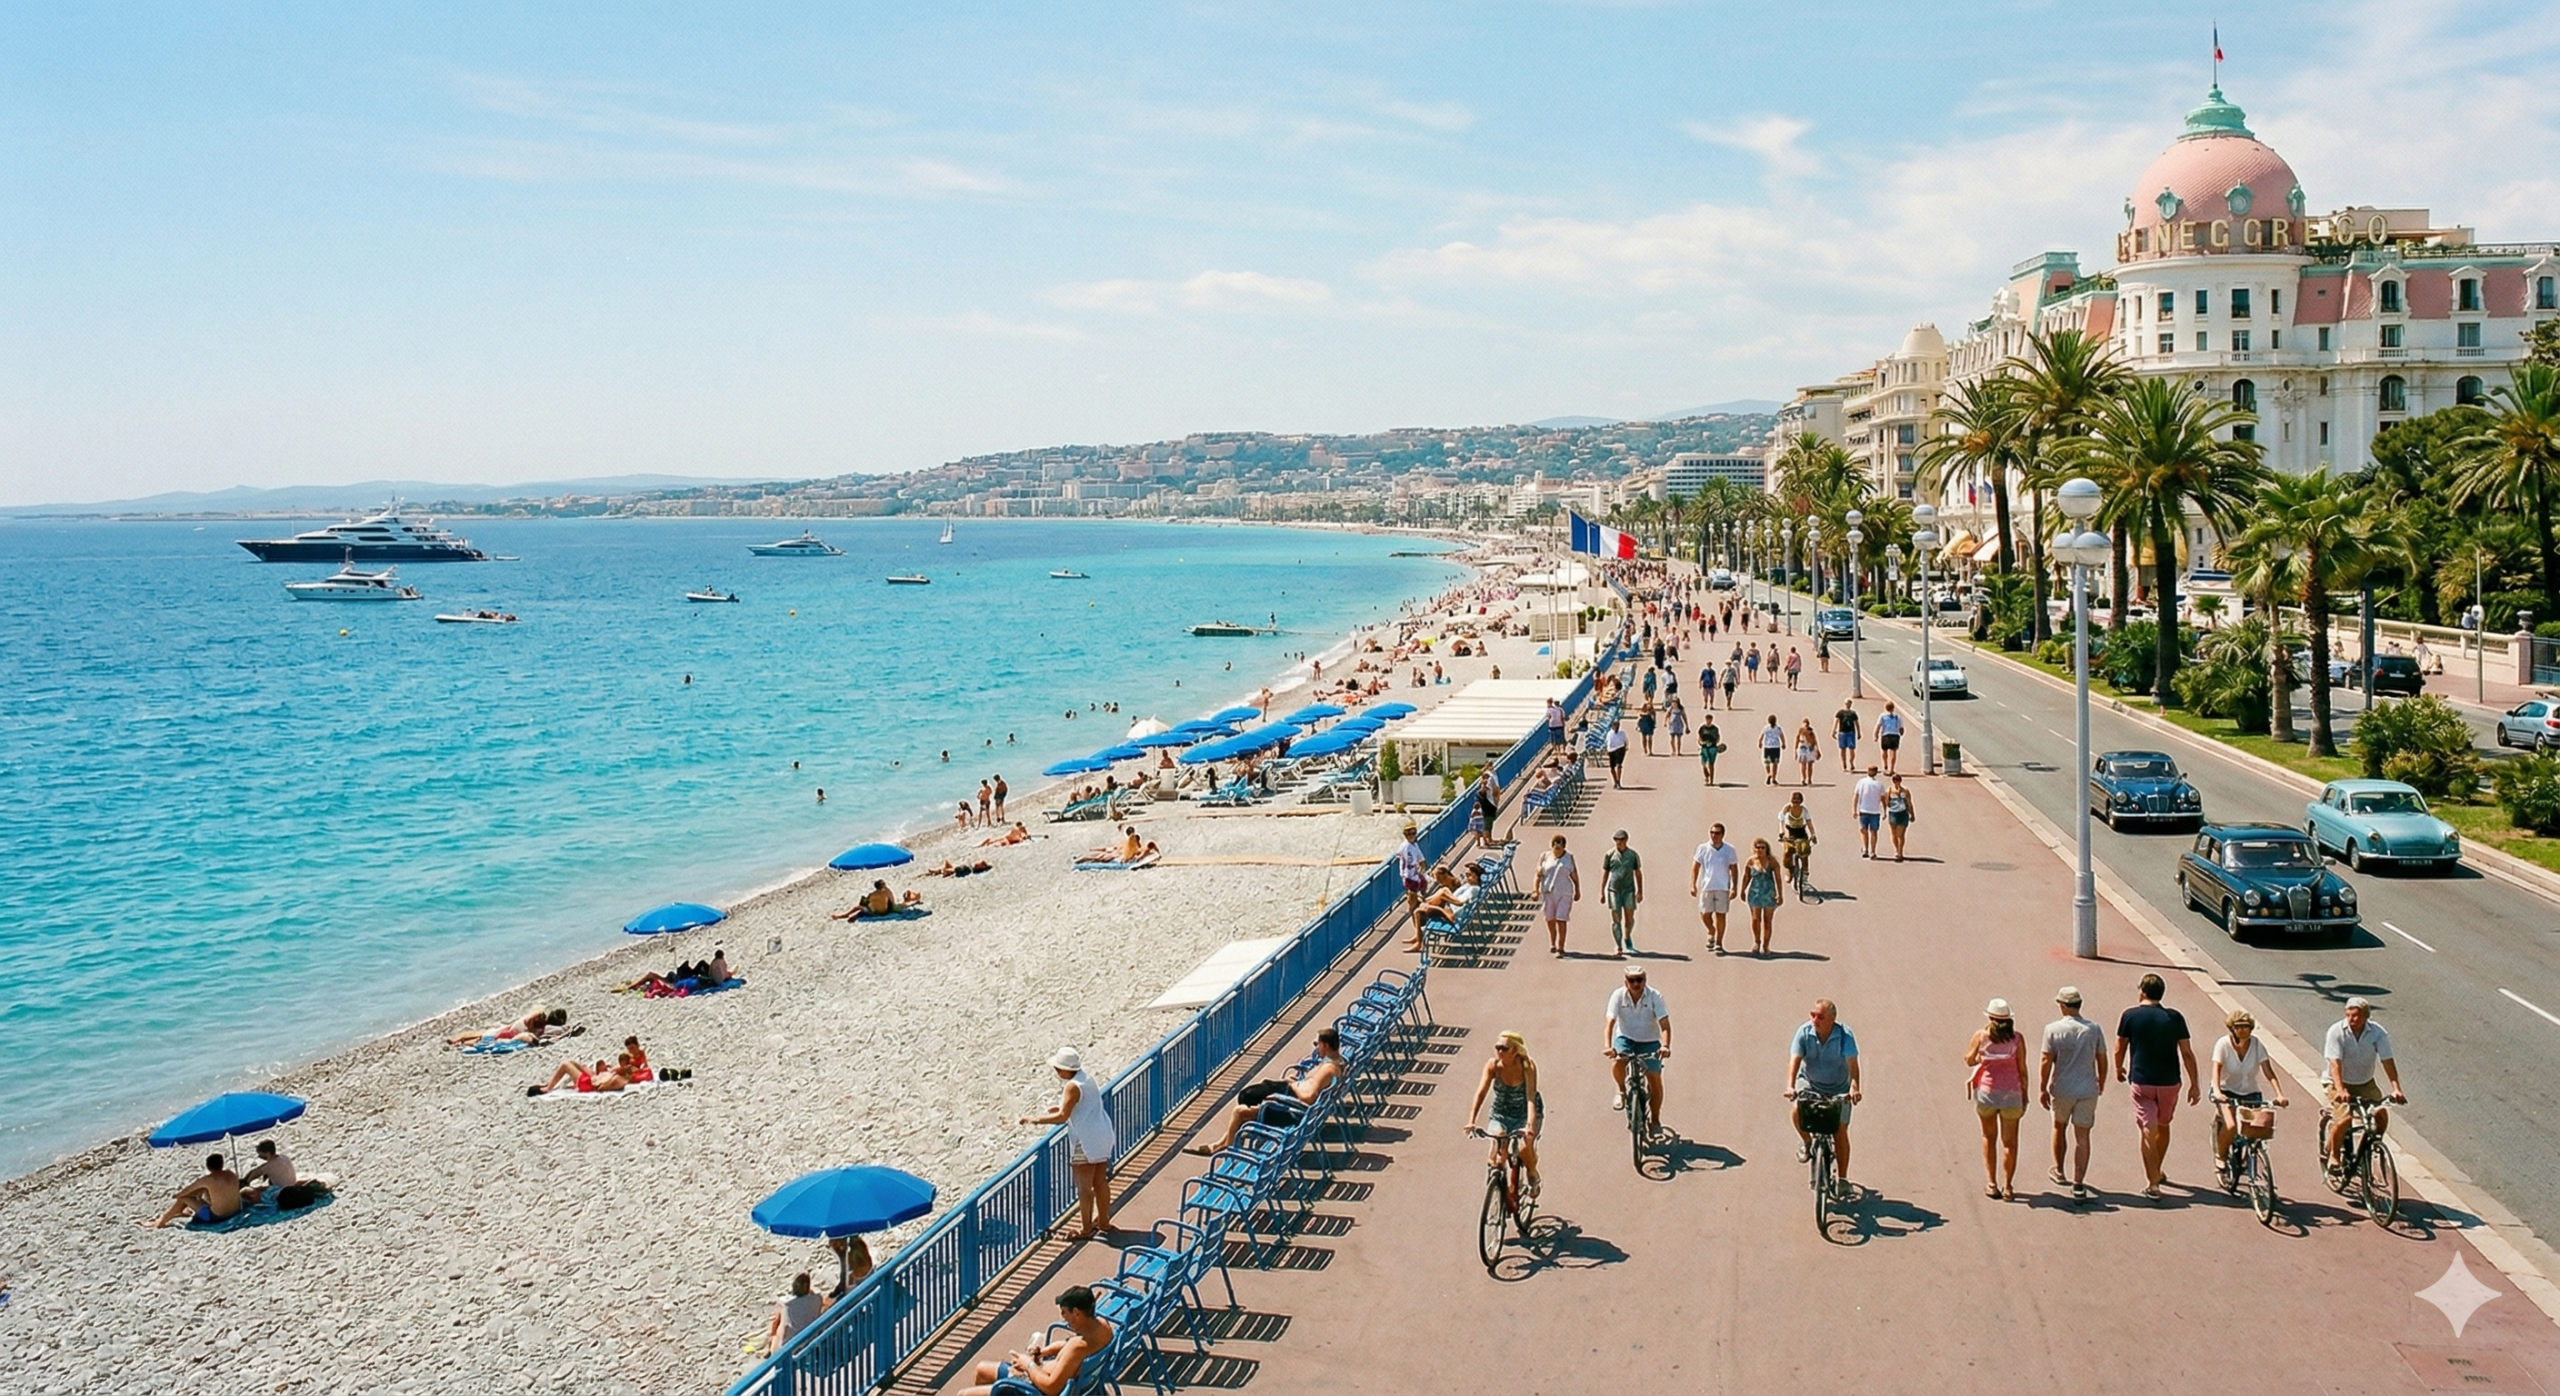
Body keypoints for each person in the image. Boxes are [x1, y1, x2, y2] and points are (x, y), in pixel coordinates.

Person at [1186, 1029, 1346, 1155]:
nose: (1316, 1047)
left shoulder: (1328, 1069)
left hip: (1294, 1111)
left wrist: (1292, 1087)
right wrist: (1298, 1082)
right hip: (1296, 1105)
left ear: (1325, 1045)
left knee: (1240, 1109)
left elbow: (1309, 1098)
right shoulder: (1337, 1062)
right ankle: (1220, 1144)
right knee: (1252, 1095)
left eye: (1316, 1043)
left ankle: (1227, 1145)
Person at [2113, 973, 2198, 1200]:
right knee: (2164, 1125)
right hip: (2170, 1081)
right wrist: (2194, 1084)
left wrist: (2118, 1068)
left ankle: (2152, 1183)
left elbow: (2119, 1047)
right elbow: (2187, 1054)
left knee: (2147, 1129)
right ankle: (2157, 1170)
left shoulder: (2130, 1016)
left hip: (2142, 1080)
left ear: (2141, 990)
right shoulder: (2175, 1018)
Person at [1019, 1048, 1116, 1238]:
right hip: (1103, 1133)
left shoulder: (1072, 1086)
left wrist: (1035, 1119)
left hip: (1085, 1140)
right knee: (1100, 1181)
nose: (1056, 1072)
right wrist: (1063, 1107)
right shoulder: (1086, 1078)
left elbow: (1063, 1117)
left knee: (1084, 1188)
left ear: (1065, 1069)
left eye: (1058, 1069)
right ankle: (1104, 1222)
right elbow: (1082, 1105)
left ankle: (1086, 1229)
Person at [960, 1285, 1112, 1396]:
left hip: (1035, 1389)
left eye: (1064, 1313)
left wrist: (1028, 1364)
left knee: (963, 1395)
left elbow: (1051, 1388)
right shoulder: (1102, 1328)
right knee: (982, 1369)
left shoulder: (1077, 1348)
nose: (1063, 1319)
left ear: (1076, 1313)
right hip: (1063, 1381)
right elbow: (1067, 1346)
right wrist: (1044, 1352)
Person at [2321, 996, 2406, 1174]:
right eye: (2349, 1015)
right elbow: (2335, 1064)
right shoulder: (2336, 1031)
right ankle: (2334, 1155)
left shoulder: (2377, 1033)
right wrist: (2341, 1089)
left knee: (2381, 1114)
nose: (2352, 1019)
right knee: (2344, 1119)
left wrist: (2396, 1088)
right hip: (2338, 1083)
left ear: (2366, 1016)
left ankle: (2372, 1143)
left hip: (2365, 1082)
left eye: (2357, 1016)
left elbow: (2387, 1061)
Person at [1784, 999, 1861, 1189]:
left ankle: (1842, 1179)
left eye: (1820, 1017)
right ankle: (1808, 1143)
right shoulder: (1804, 1033)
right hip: (1810, 1084)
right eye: (1813, 1015)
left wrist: (1855, 1087)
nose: (1814, 1020)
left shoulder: (1844, 1036)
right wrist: (1791, 1086)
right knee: (1797, 1111)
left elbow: (1853, 1066)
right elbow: (1794, 1060)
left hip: (1839, 1089)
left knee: (1839, 1131)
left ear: (1832, 1019)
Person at [2039, 987, 2107, 1201]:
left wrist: (2042, 1087)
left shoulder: (2052, 1030)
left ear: (2064, 1005)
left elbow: (2046, 1060)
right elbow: (2102, 1059)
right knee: (2083, 1136)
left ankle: (2059, 1170)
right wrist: (2101, 1082)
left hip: (2062, 1088)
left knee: (2059, 1127)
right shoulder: (2094, 1029)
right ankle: (2078, 1183)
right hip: (2087, 1089)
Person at [2210, 1009, 2290, 1184]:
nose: (2243, 1030)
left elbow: (2268, 1071)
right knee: (2231, 1126)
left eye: (2247, 1027)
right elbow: (2216, 1071)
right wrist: (2217, 1091)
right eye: (2239, 1027)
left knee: (2257, 1129)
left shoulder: (2256, 1045)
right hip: (2226, 1091)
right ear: (2232, 1028)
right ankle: (2221, 1156)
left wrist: (2279, 1094)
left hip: (2250, 1091)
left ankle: (2249, 1157)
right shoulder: (2223, 1044)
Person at [1464, 1030, 1544, 1196]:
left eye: (1504, 1048)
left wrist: (1529, 1125)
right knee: (1497, 1140)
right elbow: (1480, 1093)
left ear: (1515, 1051)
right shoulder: (1493, 1066)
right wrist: (1471, 1121)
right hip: (1501, 1113)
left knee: (1523, 1148)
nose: (1499, 1051)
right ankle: (1497, 1182)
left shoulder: (1527, 1066)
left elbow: (1530, 1098)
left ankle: (1532, 1172)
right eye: (1497, 1047)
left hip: (1524, 1114)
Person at [1966, 999, 2028, 1199]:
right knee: (2010, 1143)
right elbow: (2022, 1069)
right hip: (2012, 1094)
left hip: (1987, 1093)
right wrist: (2024, 1095)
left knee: (1988, 1137)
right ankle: (2008, 1186)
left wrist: (1981, 1059)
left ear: (1990, 1018)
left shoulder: (1981, 1037)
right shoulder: (2017, 1039)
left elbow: (1968, 1059)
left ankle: (1991, 1183)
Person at [1604, 967, 1671, 1134]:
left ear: (1645, 980)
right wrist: (1608, 1046)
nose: (1636, 984)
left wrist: (1665, 1046)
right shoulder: (1618, 996)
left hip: (1649, 1041)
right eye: (1631, 980)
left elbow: (1664, 1025)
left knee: (1654, 1080)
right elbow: (1609, 1024)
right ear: (1625, 981)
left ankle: (1655, 1121)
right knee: (1618, 1061)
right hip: (1626, 1038)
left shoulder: (1655, 996)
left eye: (1639, 980)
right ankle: (1621, 1090)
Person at [148, 1153, 245, 1228]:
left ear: (208, 1166)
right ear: (222, 1164)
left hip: (217, 1217)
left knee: (183, 1198)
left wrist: (177, 1195)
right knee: (204, 1189)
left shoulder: (208, 1179)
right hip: (236, 1211)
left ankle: (161, 1222)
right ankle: (181, 1210)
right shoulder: (231, 1173)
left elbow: (186, 1191)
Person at [1689, 822, 1740, 955]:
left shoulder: (1729, 849)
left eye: (1717, 833)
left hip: (1722, 887)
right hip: (1707, 886)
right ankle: (1711, 930)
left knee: (1721, 915)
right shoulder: (1702, 848)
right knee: (1705, 914)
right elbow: (1696, 866)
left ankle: (1718, 942)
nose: (1714, 835)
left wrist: (1734, 887)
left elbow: (1734, 868)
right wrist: (1693, 884)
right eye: (1712, 833)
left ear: (1723, 835)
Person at [1602, 829, 1644, 956]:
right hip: (1613, 890)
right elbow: (1605, 872)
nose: (1618, 843)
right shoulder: (1609, 855)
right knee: (1616, 918)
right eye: (1616, 840)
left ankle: (1627, 937)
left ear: (1626, 840)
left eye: (1620, 840)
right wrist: (1602, 891)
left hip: (1628, 890)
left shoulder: (1632, 855)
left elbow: (1638, 873)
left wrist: (1640, 891)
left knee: (1629, 917)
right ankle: (1618, 945)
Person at [1536, 834, 1580, 955]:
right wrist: (1535, 890)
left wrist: (1578, 890)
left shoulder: (1569, 858)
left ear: (1563, 848)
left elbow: (1574, 874)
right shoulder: (1545, 856)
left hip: (1564, 893)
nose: (1557, 850)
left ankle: (1561, 947)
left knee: (1561, 919)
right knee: (1550, 919)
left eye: (1559, 848)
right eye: (1555, 847)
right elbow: (1538, 874)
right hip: (1548, 893)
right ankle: (1552, 943)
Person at [448, 1004, 567, 1048]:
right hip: (512, 1031)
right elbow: (530, 1027)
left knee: (488, 1033)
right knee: (486, 1038)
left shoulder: (539, 1018)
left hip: (513, 1027)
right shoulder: (538, 1019)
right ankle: (460, 1042)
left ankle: (459, 1039)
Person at [1741, 837, 1783, 955]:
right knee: (1755, 919)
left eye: (1762, 848)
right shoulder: (1751, 861)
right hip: (1755, 893)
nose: (1760, 850)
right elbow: (1746, 877)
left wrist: (1780, 895)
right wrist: (1742, 890)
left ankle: (1766, 945)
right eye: (1757, 847)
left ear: (1766, 849)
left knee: (1767, 920)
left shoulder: (1772, 862)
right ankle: (1757, 942)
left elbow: (1778, 880)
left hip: (1769, 894)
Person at [766, 1273, 826, 1355]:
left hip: (790, 1347)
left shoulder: (786, 1304)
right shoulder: (817, 1299)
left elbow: (775, 1323)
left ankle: (769, 1347)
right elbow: (814, 1295)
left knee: (778, 1321)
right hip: (811, 1342)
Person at [1396, 822, 1430, 952]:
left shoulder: (1412, 847)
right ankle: (1417, 935)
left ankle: (1419, 939)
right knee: (1413, 908)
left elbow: (1421, 862)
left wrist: (1419, 874)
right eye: (1409, 834)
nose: (1412, 836)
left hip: (1412, 880)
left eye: (1413, 833)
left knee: (1414, 909)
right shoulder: (1408, 846)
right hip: (1410, 879)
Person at [1779, 791, 1818, 889]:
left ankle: (1804, 878)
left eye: (1797, 801)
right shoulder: (1787, 808)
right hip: (1790, 832)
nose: (1795, 803)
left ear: (1800, 802)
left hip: (1801, 832)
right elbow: (1782, 821)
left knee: (1805, 854)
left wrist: (1813, 834)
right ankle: (1790, 870)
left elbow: (1809, 823)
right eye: (1793, 801)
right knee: (1787, 852)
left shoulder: (1804, 811)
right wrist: (1781, 832)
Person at [1851, 765, 1886, 859]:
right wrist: (1854, 809)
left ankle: (1872, 851)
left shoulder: (1879, 784)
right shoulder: (1862, 782)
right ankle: (1866, 849)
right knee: (1866, 830)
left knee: (1870, 831)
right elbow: (1856, 796)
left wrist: (1885, 810)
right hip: (1865, 810)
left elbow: (1883, 798)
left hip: (1873, 811)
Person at [1883, 774, 1915, 860]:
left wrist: (1912, 814)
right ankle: (1896, 850)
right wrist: (1885, 813)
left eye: (1897, 780)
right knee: (1893, 833)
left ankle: (1900, 851)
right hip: (1893, 813)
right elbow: (1886, 802)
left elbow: (1909, 803)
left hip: (1903, 813)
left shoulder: (1905, 791)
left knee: (1900, 834)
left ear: (1900, 781)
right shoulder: (1889, 790)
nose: (1896, 782)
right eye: (1894, 780)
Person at [1876, 701, 1904, 776]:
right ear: (1893, 708)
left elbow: (1879, 725)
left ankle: (1885, 766)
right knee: (1893, 752)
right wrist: (1901, 733)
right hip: (1895, 735)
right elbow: (1901, 728)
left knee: (1884, 751)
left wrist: (1876, 734)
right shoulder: (1897, 717)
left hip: (1885, 734)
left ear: (1885, 708)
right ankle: (1892, 769)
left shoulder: (1882, 716)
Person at [1834, 700, 1860, 772]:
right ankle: (1844, 764)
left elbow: (1857, 723)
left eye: (1849, 703)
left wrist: (1859, 732)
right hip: (1842, 732)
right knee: (1843, 749)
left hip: (1850, 732)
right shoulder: (1840, 713)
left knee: (1851, 748)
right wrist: (1834, 730)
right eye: (1846, 703)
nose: (1847, 704)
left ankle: (1851, 762)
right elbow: (1836, 721)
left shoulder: (1853, 713)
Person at [1760, 714, 1785, 785]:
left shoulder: (1766, 728)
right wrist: (1783, 743)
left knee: (1767, 762)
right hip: (1775, 747)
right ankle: (1773, 777)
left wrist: (1760, 742)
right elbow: (1781, 736)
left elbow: (1761, 736)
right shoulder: (1778, 728)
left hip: (1767, 747)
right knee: (1775, 763)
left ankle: (1769, 774)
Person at [1698, 715, 1722, 786]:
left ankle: (1711, 780)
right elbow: (1699, 737)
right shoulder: (1702, 728)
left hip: (1712, 747)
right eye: (1707, 719)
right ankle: (1706, 776)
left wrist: (1716, 743)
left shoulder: (1715, 728)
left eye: (1710, 719)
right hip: (1704, 747)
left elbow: (1718, 737)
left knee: (1711, 764)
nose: (1708, 721)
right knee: (1703, 764)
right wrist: (1700, 742)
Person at [1604, 721, 1629, 788]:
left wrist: (1625, 747)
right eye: (1615, 726)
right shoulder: (1609, 733)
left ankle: (1618, 781)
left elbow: (1626, 741)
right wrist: (1607, 750)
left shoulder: (1622, 733)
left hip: (1620, 749)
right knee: (1612, 768)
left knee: (1619, 765)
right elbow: (1607, 742)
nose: (1616, 727)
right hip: (1611, 750)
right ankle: (1615, 781)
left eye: (1617, 726)